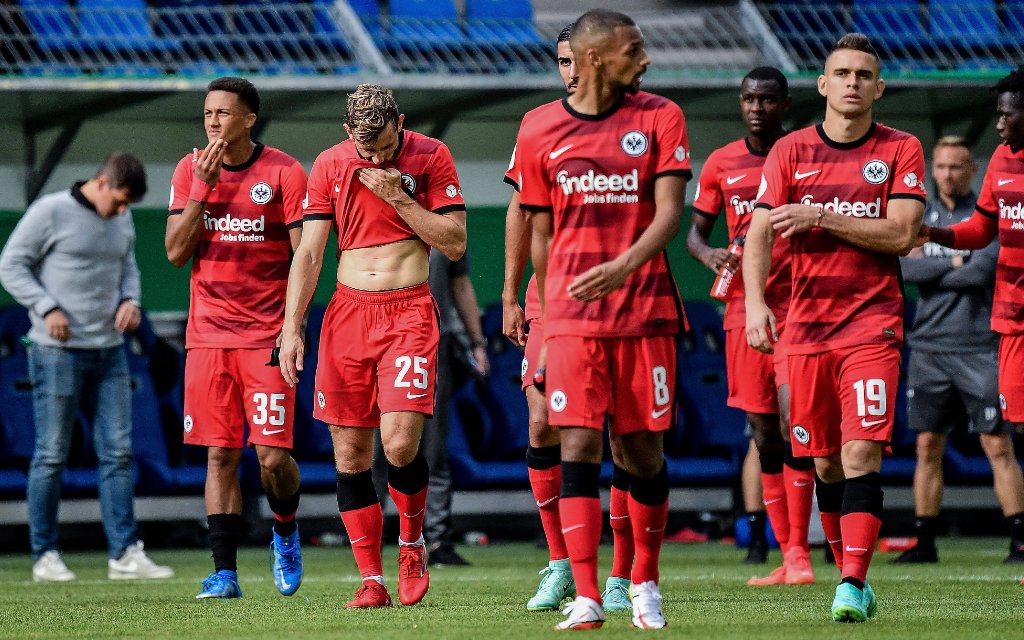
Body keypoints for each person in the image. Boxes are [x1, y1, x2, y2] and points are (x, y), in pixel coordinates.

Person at [517, 9, 691, 629]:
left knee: (640, 453)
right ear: (595, 57)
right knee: (578, 443)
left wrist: (623, 266)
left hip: (645, 313)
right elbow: (540, 232)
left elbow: (670, 213)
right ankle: (587, 594)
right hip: (570, 319)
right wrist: (546, 311)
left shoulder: (659, 116)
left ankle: (643, 580)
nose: (644, 60)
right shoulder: (539, 130)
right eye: (633, 49)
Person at [744, 33, 926, 622]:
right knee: (822, 460)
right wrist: (753, 303)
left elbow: (901, 234)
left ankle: (851, 581)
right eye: (841, 73)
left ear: (879, 87)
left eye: (863, 75)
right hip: (804, 328)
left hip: (873, 324)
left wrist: (822, 214)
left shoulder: (901, 149)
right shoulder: (790, 152)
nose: (852, 82)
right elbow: (760, 234)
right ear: (822, 85)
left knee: (860, 450)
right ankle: (848, 567)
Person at [278, 84, 467, 609]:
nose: (379, 157)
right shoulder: (328, 165)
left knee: (401, 444)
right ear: (347, 135)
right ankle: (372, 580)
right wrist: (292, 327)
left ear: (399, 122)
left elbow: (453, 241)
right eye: (368, 150)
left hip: (408, 311)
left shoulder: (431, 155)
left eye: (386, 145)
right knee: (350, 453)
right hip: (347, 314)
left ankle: (411, 543)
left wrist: (398, 194)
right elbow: (310, 253)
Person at [502, 22, 636, 614]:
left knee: (623, 438)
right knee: (541, 424)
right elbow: (520, 215)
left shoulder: (641, 121)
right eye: (562, 62)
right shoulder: (536, 125)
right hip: (549, 297)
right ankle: (560, 562)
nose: (571, 71)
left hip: (624, 298)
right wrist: (510, 294)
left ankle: (622, 573)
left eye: (580, 60)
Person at [0, 153, 174, 582]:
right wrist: (46, 307)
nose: (121, 211)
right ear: (101, 182)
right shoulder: (50, 211)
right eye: (117, 201)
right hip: (55, 351)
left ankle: (125, 554)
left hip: (110, 351)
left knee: (117, 453)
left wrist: (132, 302)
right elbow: (11, 265)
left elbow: (128, 270)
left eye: (127, 205)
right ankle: (45, 554)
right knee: (51, 454)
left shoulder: (122, 217)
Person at [165, 77, 307, 600]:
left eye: (224, 113)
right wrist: (202, 189)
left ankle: (286, 528)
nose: (213, 122)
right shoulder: (189, 170)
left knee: (271, 456)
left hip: (266, 337)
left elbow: (305, 258)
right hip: (207, 337)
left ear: (250, 119)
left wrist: (294, 325)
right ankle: (224, 572)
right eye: (207, 113)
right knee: (220, 455)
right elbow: (176, 253)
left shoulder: (285, 172)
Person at [686, 67, 817, 585]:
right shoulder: (721, 162)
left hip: (802, 306)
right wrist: (707, 254)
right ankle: (787, 554)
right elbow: (695, 235)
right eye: (748, 99)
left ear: (785, 105)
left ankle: (804, 553)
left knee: (797, 425)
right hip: (744, 307)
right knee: (764, 432)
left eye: (767, 100)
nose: (756, 107)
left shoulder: (807, 155)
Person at [918, 71, 1024, 565]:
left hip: (979, 340)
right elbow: (983, 230)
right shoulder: (1004, 160)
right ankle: (926, 541)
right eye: (998, 112)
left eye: (1007, 113)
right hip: (1004, 324)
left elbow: (983, 261)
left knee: (1000, 442)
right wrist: (933, 237)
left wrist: (935, 258)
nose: (999, 123)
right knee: (1015, 430)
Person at [380, 249, 489, 568]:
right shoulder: (374, 210)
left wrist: (476, 343)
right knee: (377, 449)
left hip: (432, 343)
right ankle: (370, 538)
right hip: (379, 340)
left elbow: (461, 285)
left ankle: (437, 539)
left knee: (432, 445)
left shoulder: (445, 216)